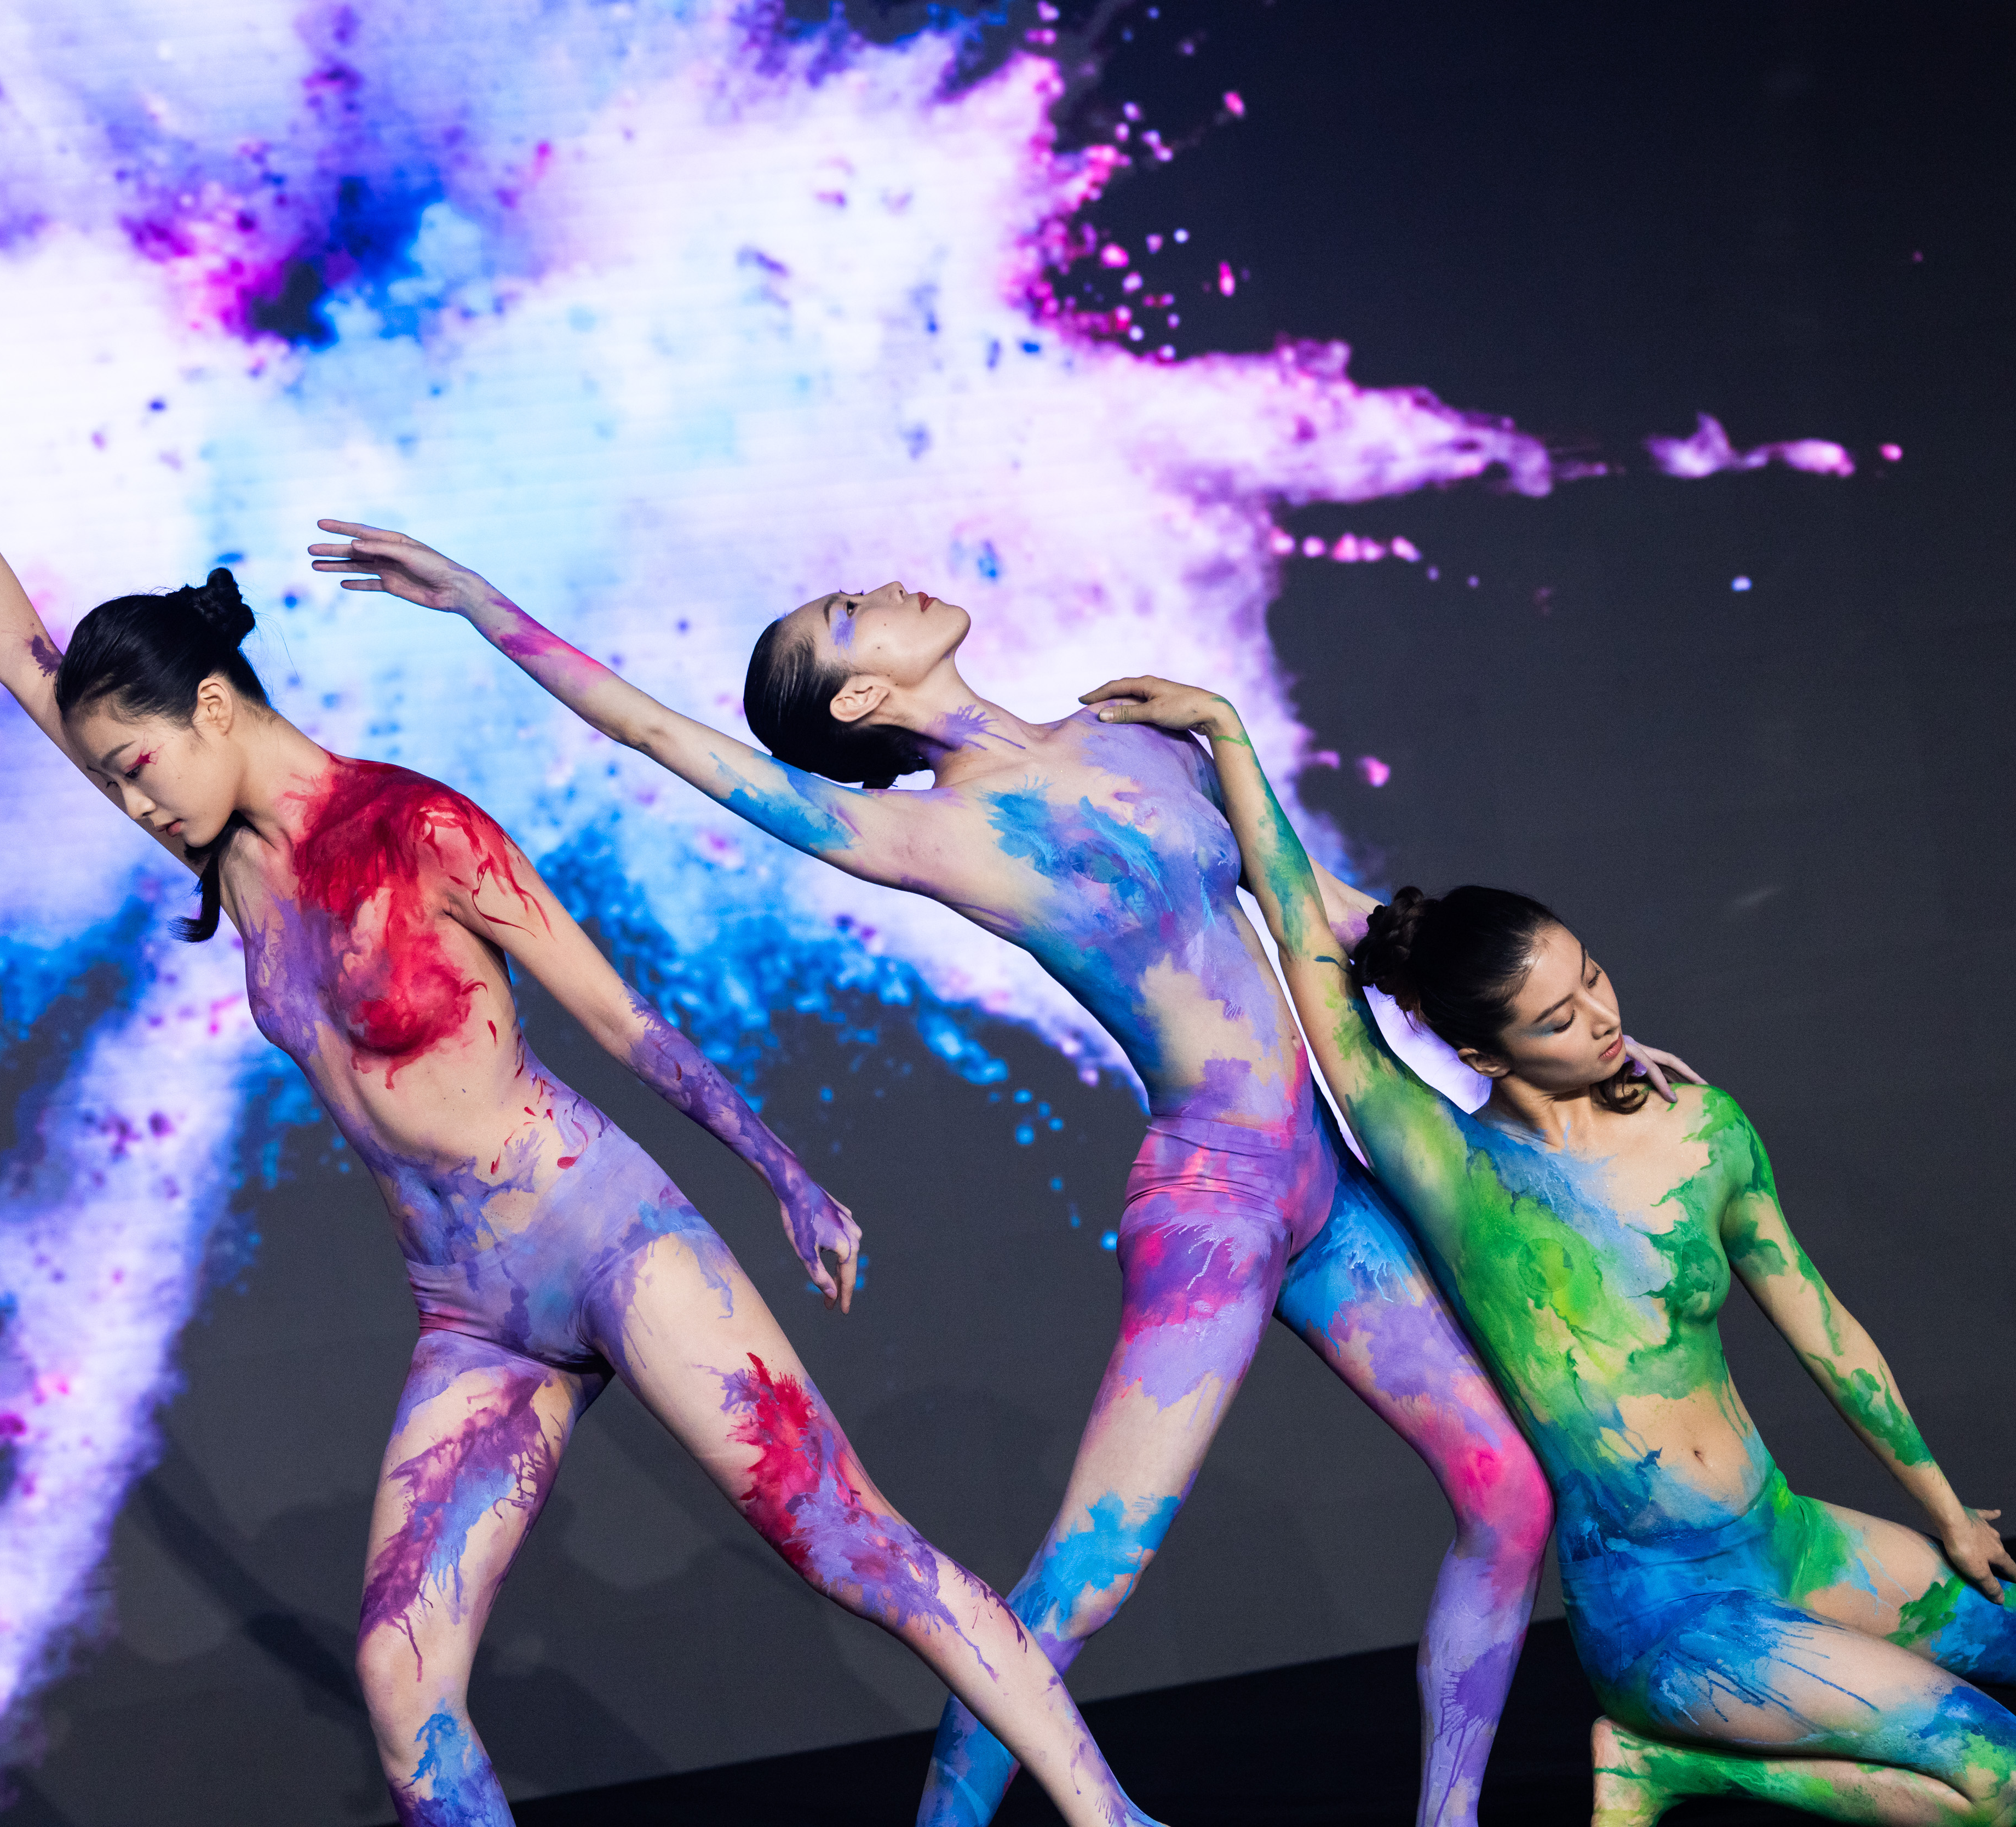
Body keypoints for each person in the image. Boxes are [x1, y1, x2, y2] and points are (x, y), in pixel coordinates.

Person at [0, 410, 1171, 1827]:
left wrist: (783, 1174)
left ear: (215, 711)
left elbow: (618, 1016)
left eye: (137, 765)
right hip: (470, 1312)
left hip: (606, 1242)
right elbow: (24, 662)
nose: (133, 801)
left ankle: (1109, 1818)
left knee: (848, 1546)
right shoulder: (224, 848)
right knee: (400, 1679)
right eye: (116, 775)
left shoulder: (418, 829)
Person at [302, 529, 1695, 1826]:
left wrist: (1577, 1044)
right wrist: (481, 606)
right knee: (1084, 1584)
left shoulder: (1134, 733)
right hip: (1213, 1209)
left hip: (1322, 1183)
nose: (885, 588)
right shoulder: (929, 834)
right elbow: (662, 736)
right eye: (851, 616)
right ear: (859, 703)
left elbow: (1326, 914)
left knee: (1509, 1495)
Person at [1084, 671, 2016, 1827]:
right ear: (1483, 1055)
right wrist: (1226, 734)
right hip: (1661, 1614)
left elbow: (1823, 1325)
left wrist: (1940, 1503)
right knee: (2005, 1779)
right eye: (1556, 1020)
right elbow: (1306, 944)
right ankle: (1668, 1764)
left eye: (1591, 978)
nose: (1601, 1020)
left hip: (1783, 1538)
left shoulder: (1700, 1131)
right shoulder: (1448, 1165)